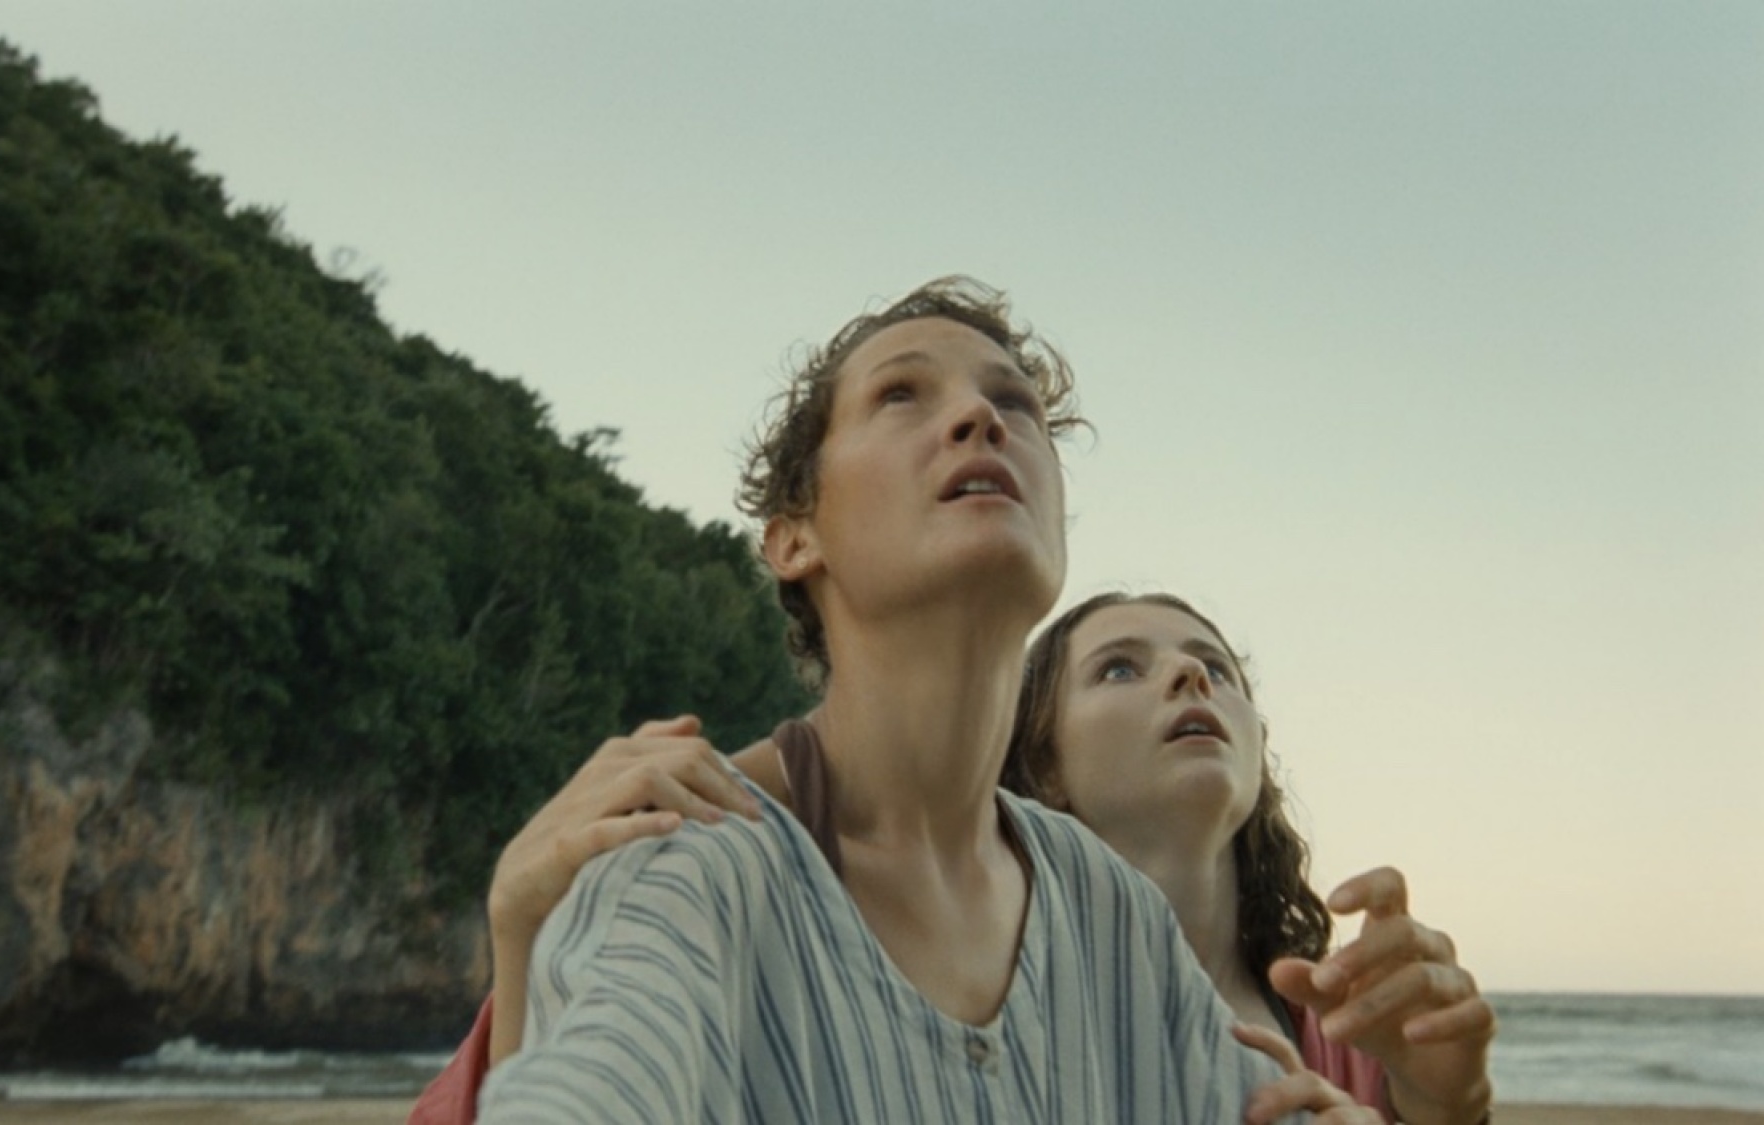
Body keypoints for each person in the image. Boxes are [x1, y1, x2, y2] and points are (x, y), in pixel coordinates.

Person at [461, 278, 1314, 1123]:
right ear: (794, 536)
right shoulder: (692, 856)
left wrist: (1444, 1096)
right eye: (901, 393)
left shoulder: (1108, 906)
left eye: (1015, 404)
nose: (982, 419)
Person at [1003, 591, 1495, 1124]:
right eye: (1119, 669)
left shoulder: (1351, 1037)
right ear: (1043, 762)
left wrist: (1451, 1105)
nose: (1191, 672)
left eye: (1217, 666)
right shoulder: (997, 1007)